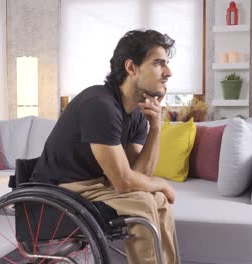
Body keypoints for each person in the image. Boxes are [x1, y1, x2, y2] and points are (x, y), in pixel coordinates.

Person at [31, 29, 178, 264]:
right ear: (131, 67)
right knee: (144, 201)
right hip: (63, 188)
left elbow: (138, 176)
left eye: (167, 64)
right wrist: (161, 183)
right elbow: (123, 182)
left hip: (97, 184)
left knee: (157, 199)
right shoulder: (100, 104)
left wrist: (156, 128)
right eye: (159, 63)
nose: (168, 72)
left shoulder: (138, 113)